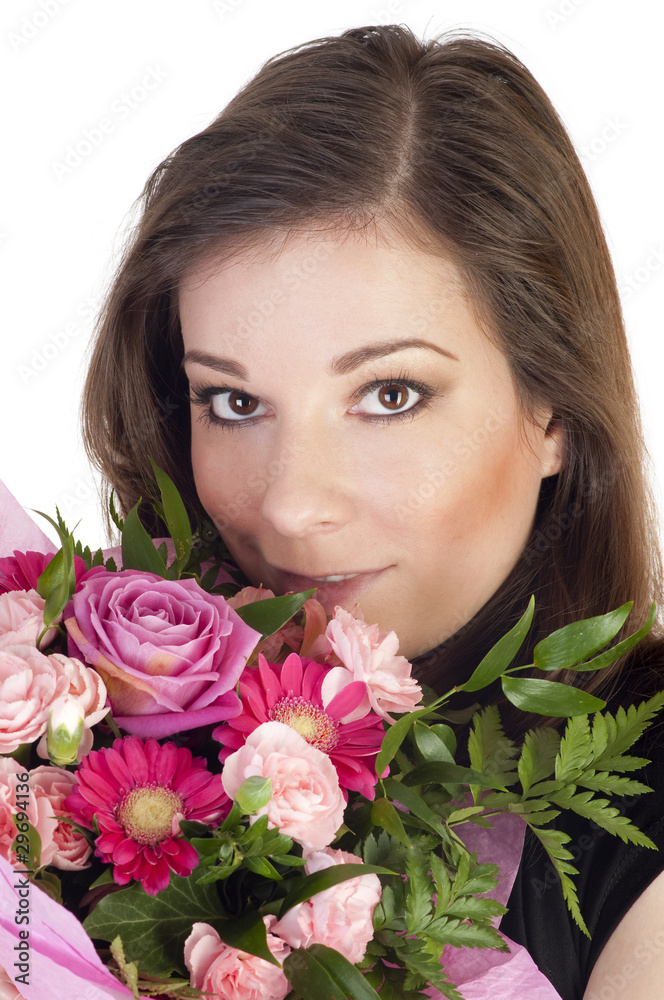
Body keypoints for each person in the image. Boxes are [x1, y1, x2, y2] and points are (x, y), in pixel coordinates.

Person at [79, 24, 664, 1000]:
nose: (293, 505)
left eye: (389, 394)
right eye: (232, 400)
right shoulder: (102, 750)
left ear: (551, 405)